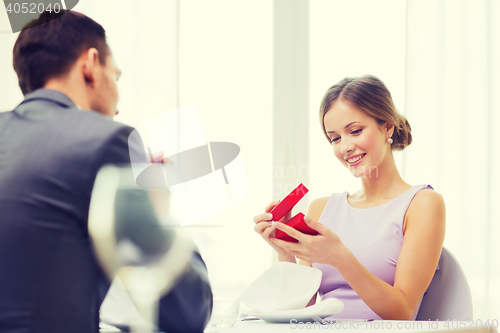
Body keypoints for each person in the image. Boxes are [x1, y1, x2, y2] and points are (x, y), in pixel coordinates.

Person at [0, 10, 212, 333]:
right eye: (116, 75)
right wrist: (156, 202)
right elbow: (188, 311)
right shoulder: (108, 140)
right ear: (91, 65)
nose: (118, 100)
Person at [254, 75, 445, 320]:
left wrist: (339, 257)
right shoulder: (321, 209)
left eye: (355, 131)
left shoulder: (422, 204)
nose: (344, 147)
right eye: (335, 138)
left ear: (387, 126)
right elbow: (301, 311)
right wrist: (285, 252)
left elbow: (403, 312)